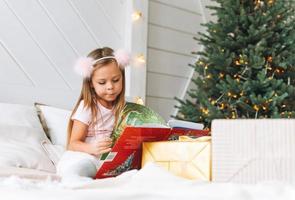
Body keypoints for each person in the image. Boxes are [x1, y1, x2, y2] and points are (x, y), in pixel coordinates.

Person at [57, 47, 130, 178]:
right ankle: (75, 181)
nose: (110, 87)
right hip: (83, 157)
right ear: (91, 83)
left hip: (106, 162)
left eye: (116, 80)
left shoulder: (123, 108)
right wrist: (92, 149)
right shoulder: (88, 107)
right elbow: (73, 143)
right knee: (81, 169)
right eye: (102, 82)